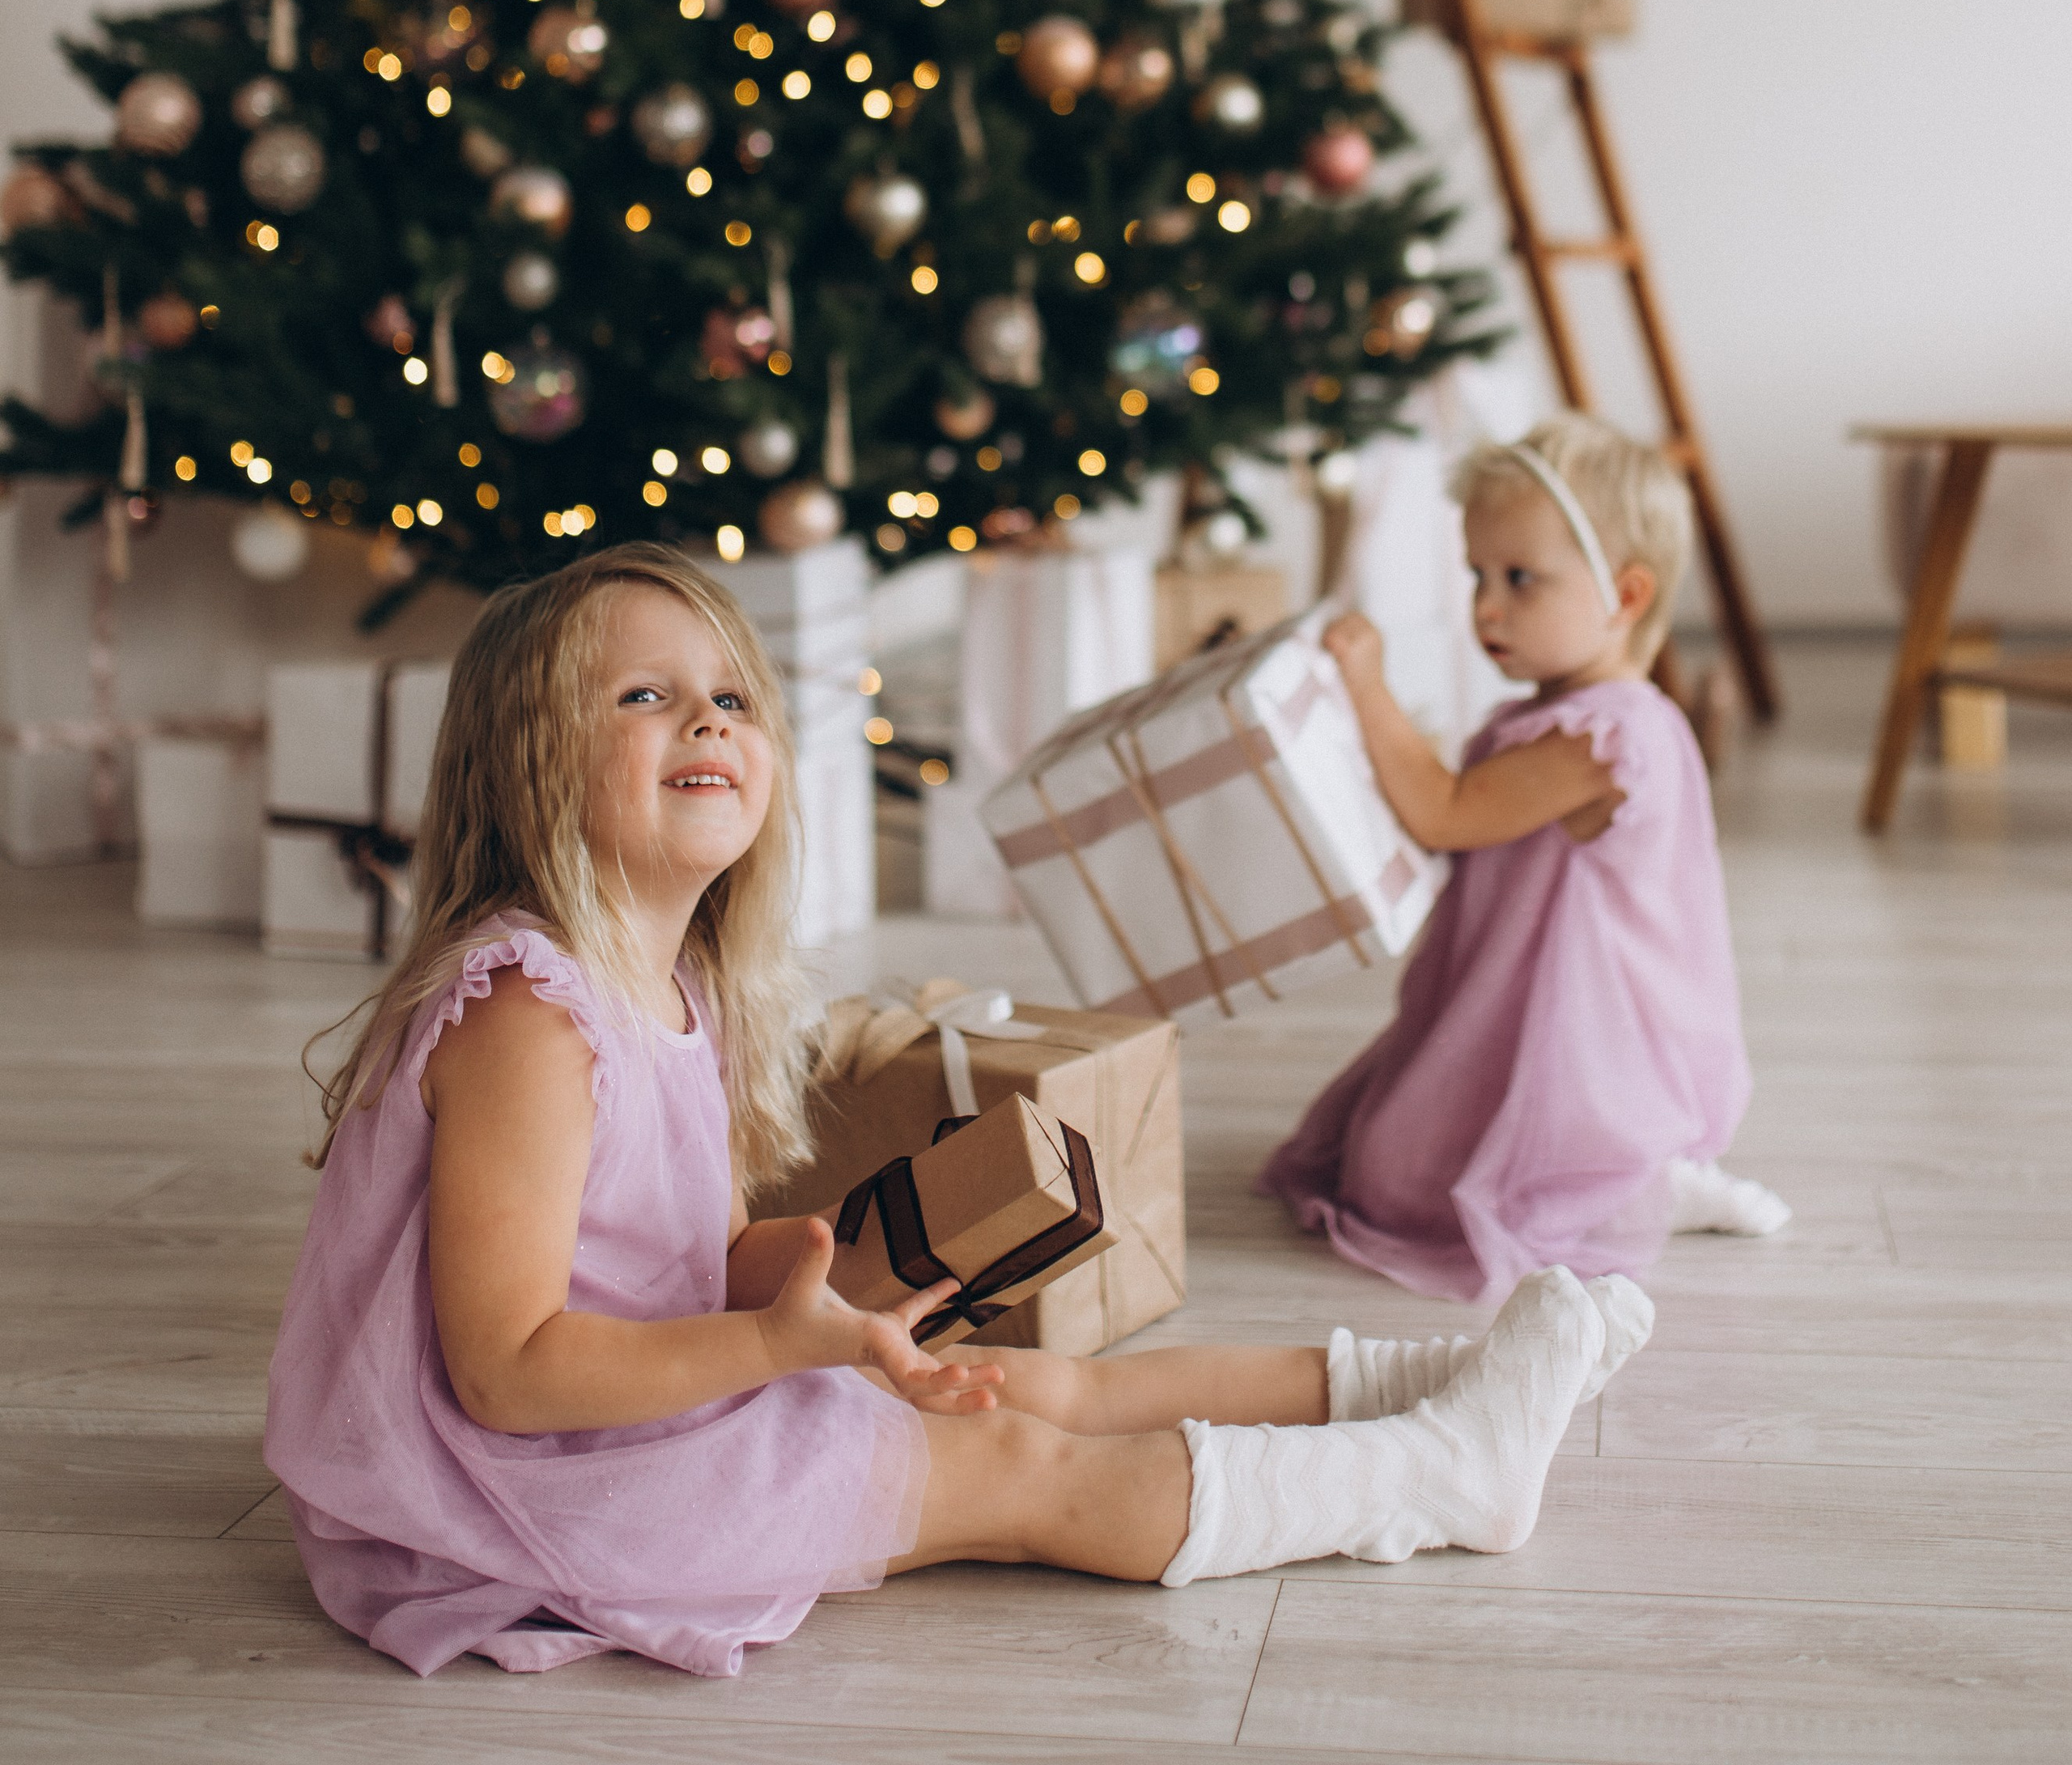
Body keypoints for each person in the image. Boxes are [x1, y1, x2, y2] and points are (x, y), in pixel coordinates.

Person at [265, 542, 1655, 1681]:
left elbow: (647, 1262)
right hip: (520, 1494)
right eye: (642, 696)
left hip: (632, 1400)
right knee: (1019, 1460)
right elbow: (507, 1366)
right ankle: (1440, 1473)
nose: (706, 720)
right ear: (524, 761)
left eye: (731, 698)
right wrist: (771, 1340)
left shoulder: (675, 980)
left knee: (1040, 1375)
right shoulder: (529, 1013)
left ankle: (1431, 1381)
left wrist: (828, 1278)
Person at [1262, 414, 1789, 1302]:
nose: (1485, 607)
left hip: (1584, 1039)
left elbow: (1446, 813)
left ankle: (1641, 1182)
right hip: (1507, 1003)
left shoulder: (1603, 737)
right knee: (1377, 1156)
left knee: (1400, 1182)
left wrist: (1365, 682)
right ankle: (1628, 1177)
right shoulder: (1562, 713)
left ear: (1623, 597)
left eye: (1519, 579)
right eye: (1476, 574)